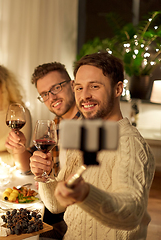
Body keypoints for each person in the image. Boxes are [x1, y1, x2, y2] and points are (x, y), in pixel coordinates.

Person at [30, 52, 155, 239]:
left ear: (117, 89)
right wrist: (44, 175)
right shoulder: (84, 136)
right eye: (79, 88)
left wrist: (86, 194)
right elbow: (56, 206)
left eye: (94, 86)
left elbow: (131, 214)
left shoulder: (130, 142)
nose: (85, 96)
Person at [6, 62, 79, 238]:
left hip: (70, 212)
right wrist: (19, 148)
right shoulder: (54, 125)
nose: (52, 97)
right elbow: (27, 166)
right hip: (53, 202)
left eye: (56, 88)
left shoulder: (89, 125)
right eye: (44, 94)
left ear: (72, 85)